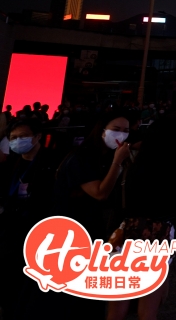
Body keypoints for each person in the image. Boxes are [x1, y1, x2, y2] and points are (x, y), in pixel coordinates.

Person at [107, 121, 176, 320]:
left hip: (129, 230)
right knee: (148, 309)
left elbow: (124, 203)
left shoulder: (136, 168)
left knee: (117, 305)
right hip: (161, 233)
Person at [0, 118, 62, 320]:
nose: (18, 141)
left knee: (32, 281)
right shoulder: (11, 163)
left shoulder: (52, 163)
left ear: (37, 137)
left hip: (39, 228)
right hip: (11, 227)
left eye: (23, 136)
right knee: (10, 278)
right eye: (14, 137)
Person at [53, 113, 132, 241]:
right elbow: (100, 193)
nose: (121, 135)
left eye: (126, 131)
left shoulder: (109, 154)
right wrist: (117, 162)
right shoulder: (82, 156)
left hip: (95, 221)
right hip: (73, 223)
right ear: (102, 131)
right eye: (116, 130)